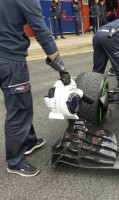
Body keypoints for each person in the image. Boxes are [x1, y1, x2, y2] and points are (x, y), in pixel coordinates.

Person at [0, 0, 71, 177]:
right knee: (20, 108)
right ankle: (15, 162)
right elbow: (41, 31)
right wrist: (61, 68)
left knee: (20, 102)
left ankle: (29, 141)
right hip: (10, 59)